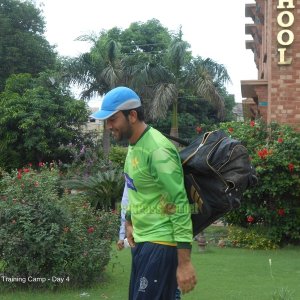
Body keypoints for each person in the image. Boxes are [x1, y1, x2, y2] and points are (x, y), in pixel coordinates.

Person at [91, 86, 197, 300]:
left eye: (113, 119)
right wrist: (129, 222)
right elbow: (136, 190)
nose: (108, 126)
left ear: (132, 115)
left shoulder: (157, 149)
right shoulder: (134, 146)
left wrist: (184, 263)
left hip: (161, 245)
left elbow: (178, 203)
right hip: (143, 242)